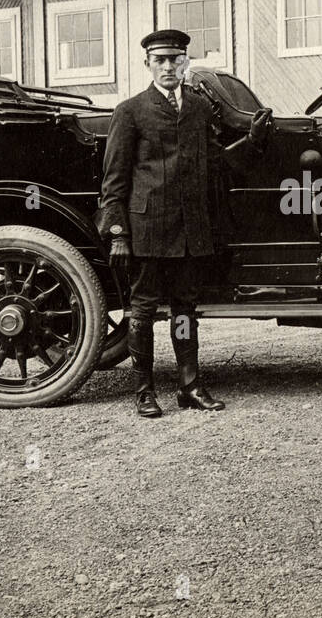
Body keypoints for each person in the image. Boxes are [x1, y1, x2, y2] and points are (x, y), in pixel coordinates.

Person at [97, 29, 269, 418]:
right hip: (147, 231)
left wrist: (252, 142)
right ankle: (143, 391)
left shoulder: (197, 108)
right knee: (141, 313)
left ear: (185, 62)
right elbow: (114, 181)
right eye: (161, 60)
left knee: (184, 312)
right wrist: (119, 234)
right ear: (148, 65)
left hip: (190, 231)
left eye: (176, 59)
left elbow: (216, 165)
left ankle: (189, 386)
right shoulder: (130, 111)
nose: (169, 66)